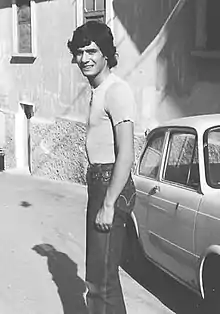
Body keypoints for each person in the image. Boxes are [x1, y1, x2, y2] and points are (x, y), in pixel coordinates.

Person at [67, 20, 136, 314]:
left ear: (107, 53)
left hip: (110, 185)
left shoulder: (116, 91)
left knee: (101, 283)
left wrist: (108, 204)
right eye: (80, 52)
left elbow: (127, 154)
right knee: (99, 279)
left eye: (92, 51)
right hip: (99, 183)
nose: (85, 58)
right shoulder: (99, 89)